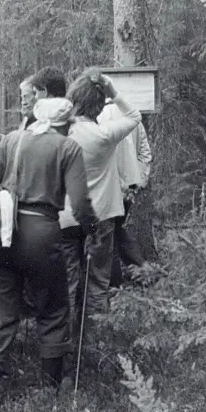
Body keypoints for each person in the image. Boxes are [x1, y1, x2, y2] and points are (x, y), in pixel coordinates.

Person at [0, 98, 97, 412]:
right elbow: (80, 204)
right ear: (65, 123)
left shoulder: (12, 140)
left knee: (1, 308)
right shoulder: (68, 147)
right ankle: (50, 392)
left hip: (2, 233)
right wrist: (93, 229)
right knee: (52, 308)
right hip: (42, 233)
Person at [58, 69, 141, 344]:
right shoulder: (104, 134)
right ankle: (94, 343)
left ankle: (65, 344)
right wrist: (112, 90)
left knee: (68, 282)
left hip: (66, 216)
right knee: (97, 282)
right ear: (99, 105)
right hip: (101, 216)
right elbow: (134, 116)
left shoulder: (62, 135)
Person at [98, 105, 152, 287]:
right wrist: (139, 181)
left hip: (109, 187)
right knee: (117, 231)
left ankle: (115, 287)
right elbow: (145, 152)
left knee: (108, 237)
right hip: (129, 187)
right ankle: (145, 272)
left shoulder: (99, 116)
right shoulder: (132, 116)